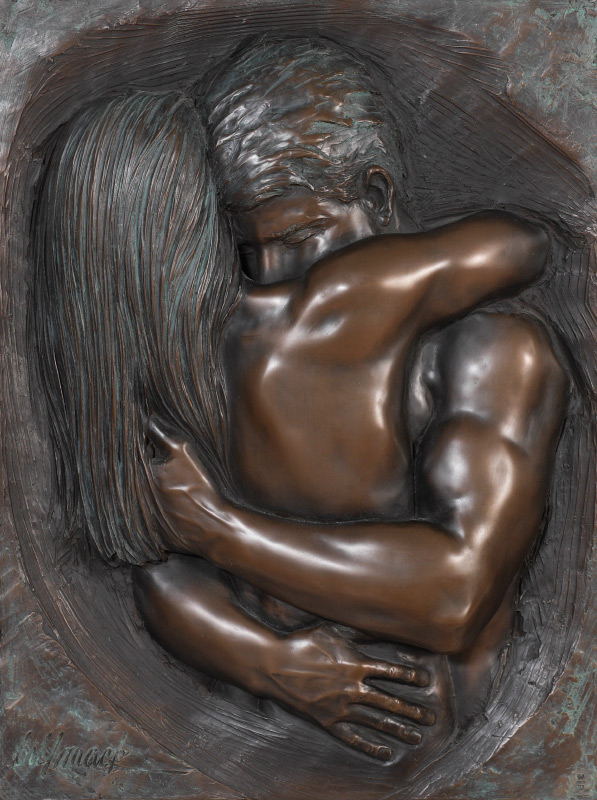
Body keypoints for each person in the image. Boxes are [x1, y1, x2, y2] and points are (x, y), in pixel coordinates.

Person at [133, 37, 567, 766]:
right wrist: (268, 661)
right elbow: (155, 563)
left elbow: (455, 594)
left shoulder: (491, 353)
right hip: (250, 758)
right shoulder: (237, 345)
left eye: (303, 237)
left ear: (376, 197)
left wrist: (222, 530)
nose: (279, 278)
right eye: (252, 253)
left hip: (441, 758)